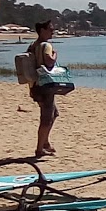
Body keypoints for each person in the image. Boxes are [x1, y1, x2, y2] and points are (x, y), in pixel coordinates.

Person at [27, 20, 61, 158]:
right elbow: (49, 61)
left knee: (54, 113)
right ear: (42, 31)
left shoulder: (32, 45)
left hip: (35, 85)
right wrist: (55, 55)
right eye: (50, 29)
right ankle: (39, 149)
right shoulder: (46, 45)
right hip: (45, 86)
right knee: (46, 118)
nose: (52, 31)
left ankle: (45, 142)